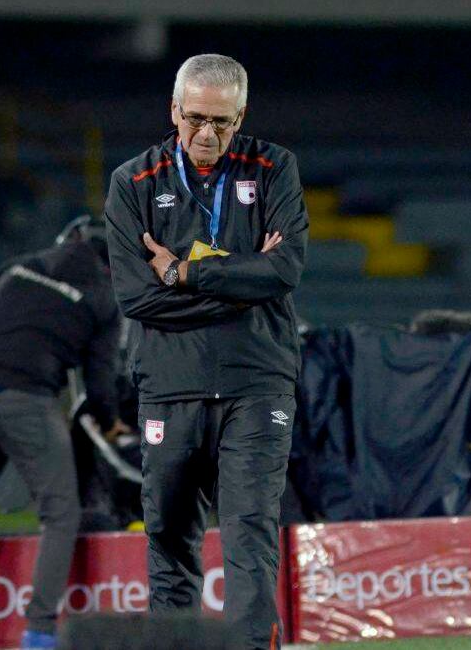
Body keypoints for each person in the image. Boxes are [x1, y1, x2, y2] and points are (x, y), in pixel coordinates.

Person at [103, 54, 308, 650]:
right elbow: (135, 297)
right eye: (195, 118)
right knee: (168, 536)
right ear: (174, 112)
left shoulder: (274, 168)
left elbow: (286, 270)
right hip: (169, 384)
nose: (206, 134)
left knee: (248, 532)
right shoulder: (132, 182)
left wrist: (185, 275)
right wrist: (244, 281)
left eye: (221, 122)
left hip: (258, 383)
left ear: (240, 116)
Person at [0, 218, 129, 650]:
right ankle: (39, 632)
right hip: (27, 399)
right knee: (60, 514)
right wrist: (110, 421)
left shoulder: (20, 266)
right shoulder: (104, 297)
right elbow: (100, 383)